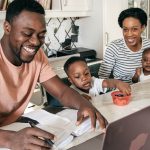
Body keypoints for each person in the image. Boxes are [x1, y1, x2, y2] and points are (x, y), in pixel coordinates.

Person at [0, 0, 107, 149]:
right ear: (7, 27)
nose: (35, 42)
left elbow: (62, 92)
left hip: (13, 127)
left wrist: (84, 105)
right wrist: (9, 139)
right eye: (27, 33)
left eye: (41, 35)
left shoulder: (37, 56)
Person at [99, 7, 150, 84]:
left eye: (134, 29)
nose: (129, 34)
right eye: (125, 29)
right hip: (121, 93)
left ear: (142, 28)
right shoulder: (114, 48)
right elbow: (102, 79)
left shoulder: (148, 44)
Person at [64, 56, 131, 100]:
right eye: (77, 77)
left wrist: (117, 83)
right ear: (71, 80)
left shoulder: (94, 81)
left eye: (86, 73)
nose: (84, 78)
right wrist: (79, 100)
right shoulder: (71, 91)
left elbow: (106, 82)